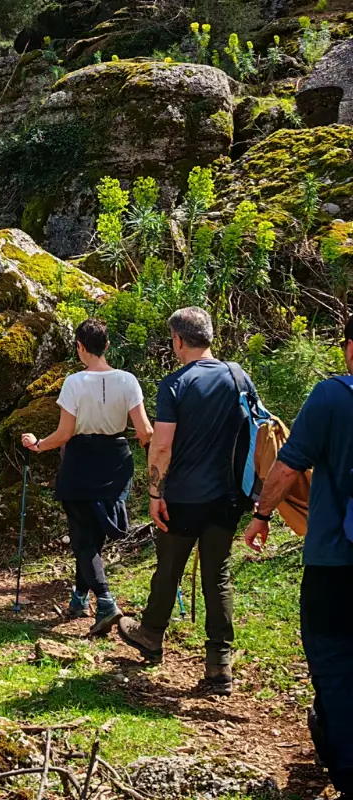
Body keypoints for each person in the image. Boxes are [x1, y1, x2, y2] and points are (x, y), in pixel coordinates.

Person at [117, 306, 258, 695]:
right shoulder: (239, 376)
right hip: (228, 497)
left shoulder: (175, 384)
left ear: (179, 340)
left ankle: (150, 634)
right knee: (218, 576)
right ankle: (219, 664)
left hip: (182, 497)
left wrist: (154, 493)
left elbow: (161, 447)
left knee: (169, 568)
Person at [245, 317, 353, 797]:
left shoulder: (333, 397)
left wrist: (261, 514)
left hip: (336, 560)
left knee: (333, 662)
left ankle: (347, 770)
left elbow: (288, 464)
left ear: (349, 349)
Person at [21, 318, 153, 635]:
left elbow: (65, 433)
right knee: (93, 538)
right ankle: (80, 598)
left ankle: (106, 603)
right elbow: (146, 430)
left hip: (81, 462)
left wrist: (39, 445)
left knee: (82, 539)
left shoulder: (74, 383)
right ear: (107, 345)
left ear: (80, 347)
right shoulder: (128, 380)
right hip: (116, 462)